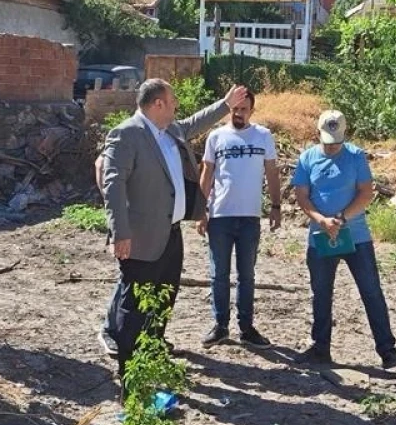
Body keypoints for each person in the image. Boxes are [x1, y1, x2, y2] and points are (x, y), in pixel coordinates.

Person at [101, 80, 249, 377]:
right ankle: (130, 372)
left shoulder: (169, 130)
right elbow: (112, 185)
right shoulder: (127, 134)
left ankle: (153, 355)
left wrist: (225, 104)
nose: (177, 105)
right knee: (135, 305)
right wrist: (121, 233)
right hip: (140, 237)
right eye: (173, 101)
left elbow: (196, 122)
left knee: (164, 297)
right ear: (158, 104)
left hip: (170, 233)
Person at [291, 109, 396, 369]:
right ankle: (320, 348)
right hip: (320, 235)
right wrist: (321, 220)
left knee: (371, 291)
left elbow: (366, 193)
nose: (332, 146)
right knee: (321, 293)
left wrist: (341, 218)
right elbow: (302, 195)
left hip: (355, 236)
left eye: (336, 141)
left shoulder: (356, 156)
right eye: (327, 141)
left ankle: (387, 350)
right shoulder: (307, 158)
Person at [196, 89, 281, 348]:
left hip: (250, 218)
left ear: (252, 111)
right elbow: (207, 174)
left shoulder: (263, 136)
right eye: (235, 108)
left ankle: (247, 328)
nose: (239, 113)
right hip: (220, 216)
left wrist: (276, 206)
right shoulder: (217, 137)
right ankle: (220, 326)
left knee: (247, 275)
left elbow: (272, 173)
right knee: (218, 274)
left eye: (244, 109)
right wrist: (201, 210)